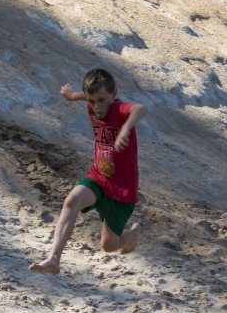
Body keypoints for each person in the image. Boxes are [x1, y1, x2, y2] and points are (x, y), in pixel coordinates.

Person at [29, 68, 148, 274]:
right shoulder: (94, 101)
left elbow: (140, 109)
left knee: (109, 246)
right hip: (99, 177)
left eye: (101, 100)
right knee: (72, 201)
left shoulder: (119, 109)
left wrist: (126, 129)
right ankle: (53, 259)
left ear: (114, 94)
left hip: (122, 189)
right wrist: (72, 95)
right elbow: (87, 94)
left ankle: (132, 234)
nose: (96, 106)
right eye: (92, 101)